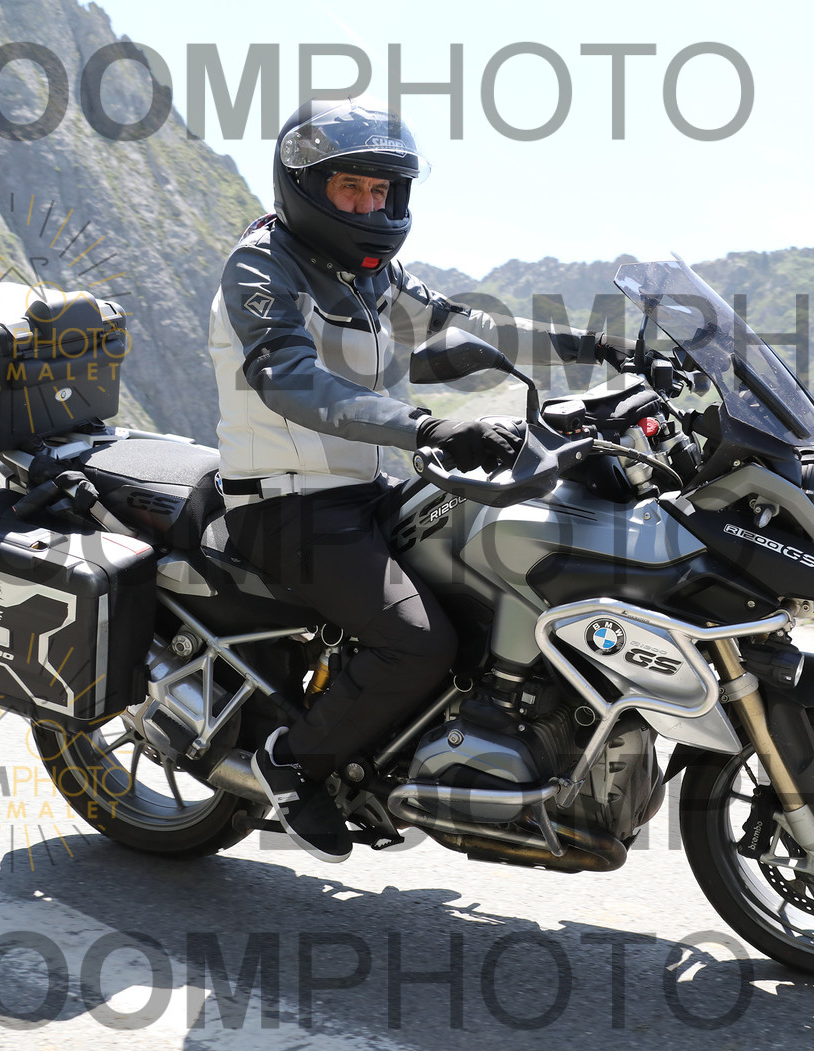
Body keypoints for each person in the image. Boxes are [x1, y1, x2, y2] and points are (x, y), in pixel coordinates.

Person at [207, 97, 624, 861]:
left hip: (360, 492)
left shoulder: (369, 275)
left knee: (486, 586)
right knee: (417, 642)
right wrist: (426, 427)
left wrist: (595, 347)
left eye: (381, 191)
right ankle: (292, 764)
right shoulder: (262, 267)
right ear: (306, 186)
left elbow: (465, 327)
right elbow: (292, 381)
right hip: (284, 507)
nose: (369, 207)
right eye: (351, 189)